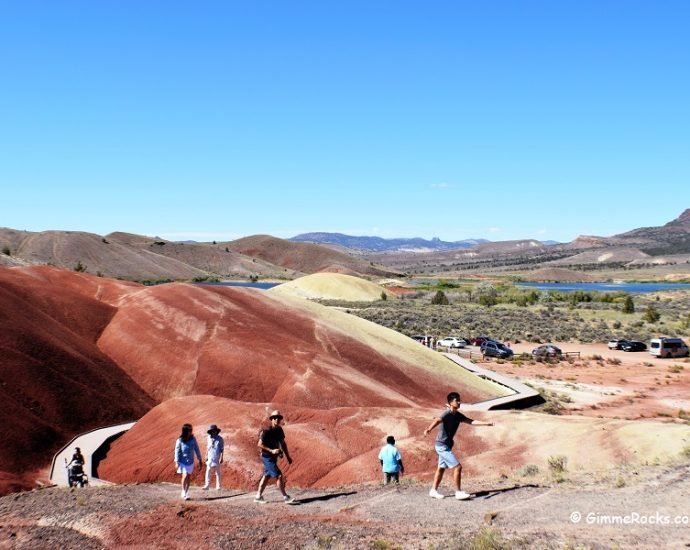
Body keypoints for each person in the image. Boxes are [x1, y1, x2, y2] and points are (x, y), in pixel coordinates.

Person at [423, 391, 493, 500]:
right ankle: (458, 492)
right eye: (457, 400)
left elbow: (471, 421)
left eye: (459, 400)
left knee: (441, 468)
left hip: (446, 445)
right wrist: (429, 429)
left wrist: (486, 424)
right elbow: (437, 420)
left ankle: (433, 491)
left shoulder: (457, 415)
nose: (459, 402)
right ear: (451, 402)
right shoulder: (446, 413)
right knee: (458, 467)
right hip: (441, 446)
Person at [255, 410, 295, 504]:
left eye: (278, 418)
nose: (277, 419)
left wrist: (287, 456)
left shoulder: (279, 430)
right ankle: (285, 497)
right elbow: (259, 444)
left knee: (266, 476)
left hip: (273, 457)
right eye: (274, 418)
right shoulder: (267, 431)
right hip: (266, 457)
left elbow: (282, 443)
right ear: (272, 419)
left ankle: (258, 496)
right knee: (279, 475)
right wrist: (271, 450)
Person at [174, 423, 202, 500]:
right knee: (185, 475)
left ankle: (186, 492)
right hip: (182, 461)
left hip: (190, 461)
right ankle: (183, 492)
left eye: (191, 430)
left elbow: (197, 449)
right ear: (185, 431)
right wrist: (176, 461)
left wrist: (200, 459)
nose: (191, 431)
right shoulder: (179, 440)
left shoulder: (193, 439)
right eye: (189, 430)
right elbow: (177, 451)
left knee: (188, 477)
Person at [202, 424, 224, 490]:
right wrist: (206, 455)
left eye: (214, 431)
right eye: (212, 431)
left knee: (217, 472)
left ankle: (218, 486)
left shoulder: (220, 439)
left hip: (217, 457)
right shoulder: (208, 438)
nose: (213, 432)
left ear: (216, 431)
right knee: (208, 471)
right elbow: (207, 447)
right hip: (210, 456)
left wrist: (221, 457)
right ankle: (207, 485)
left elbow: (222, 449)